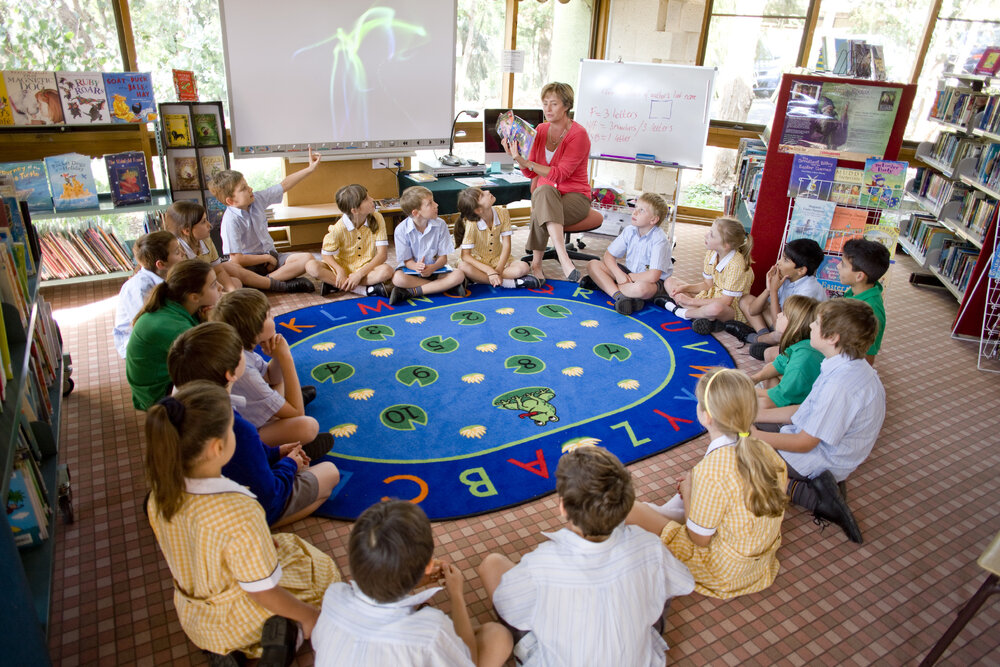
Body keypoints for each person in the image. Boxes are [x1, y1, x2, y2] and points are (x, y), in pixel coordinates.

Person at [144, 381, 340, 665]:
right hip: (245, 612)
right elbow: (262, 591)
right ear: (218, 446)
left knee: (275, 551)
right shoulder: (239, 509)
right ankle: (288, 635)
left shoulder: (159, 496)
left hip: (197, 617)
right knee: (321, 574)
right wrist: (311, 618)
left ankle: (220, 650)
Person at [477, 446, 694, 666]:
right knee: (658, 586)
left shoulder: (540, 564)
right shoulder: (650, 545)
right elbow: (682, 583)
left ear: (563, 507)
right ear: (627, 505)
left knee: (492, 564)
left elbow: (512, 610)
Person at [628, 368, 788, 599]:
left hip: (724, 571)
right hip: (757, 564)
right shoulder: (765, 450)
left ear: (706, 416)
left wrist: (689, 490)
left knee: (632, 510)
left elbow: (698, 539)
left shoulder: (712, 470)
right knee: (684, 490)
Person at [167, 323, 339, 529]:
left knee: (277, 453)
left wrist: (276, 453)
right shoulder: (236, 428)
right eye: (240, 351)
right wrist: (289, 465)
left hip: (209, 490)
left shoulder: (176, 404)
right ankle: (258, 527)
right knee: (331, 472)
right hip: (240, 506)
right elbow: (269, 494)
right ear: (230, 375)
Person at [312, 500, 513, 667]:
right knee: (498, 635)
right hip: (430, 643)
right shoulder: (432, 629)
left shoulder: (334, 595)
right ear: (428, 565)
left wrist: (411, 582)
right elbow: (468, 660)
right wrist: (457, 595)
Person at [753, 299, 886, 544]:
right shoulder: (843, 364)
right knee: (743, 427)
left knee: (740, 454)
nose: (811, 326)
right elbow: (804, 410)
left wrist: (754, 437)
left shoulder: (842, 385)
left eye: (816, 322)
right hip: (815, 438)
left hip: (824, 457)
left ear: (832, 337)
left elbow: (805, 443)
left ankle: (812, 494)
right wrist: (751, 417)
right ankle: (823, 486)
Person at [504, 82, 592, 283]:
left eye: (553, 104)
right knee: (543, 193)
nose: (548, 109)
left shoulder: (578, 135)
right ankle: (556, 260)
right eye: (545, 104)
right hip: (547, 194)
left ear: (566, 106)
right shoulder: (541, 130)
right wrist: (517, 158)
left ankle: (548, 259)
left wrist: (528, 162)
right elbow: (528, 172)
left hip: (576, 197)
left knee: (541, 202)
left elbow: (560, 174)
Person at [211, 289, 320, 449]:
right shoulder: (243, 368)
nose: (274, 316)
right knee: (308, 427)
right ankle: (280, 449)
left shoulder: (240, 349)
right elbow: (298, 413)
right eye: (268, 315)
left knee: (278, 388)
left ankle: (281, 409)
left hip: (245, 415)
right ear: (253, 328)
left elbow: (271, 378)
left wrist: (276, 357)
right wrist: (285, 358)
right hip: (237, 440)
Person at [209, 147, 322, 293]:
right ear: (231, 201)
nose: (250, 189)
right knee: (230, 269)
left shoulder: (257, 199)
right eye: (243, 188)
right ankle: (277, 282)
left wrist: (310, 169)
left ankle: (261, 284)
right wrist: (265, 258)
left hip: (273, 258)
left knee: (307, 258)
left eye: (247, 185)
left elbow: (284, 185)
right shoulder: (230, 220)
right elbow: (237, 259)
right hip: (251, 265)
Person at [126, 260, 220, 410]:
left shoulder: (177, 304)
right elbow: (214, 358)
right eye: (214, 285)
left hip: (164, 380)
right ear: (194, 297)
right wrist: (212, 321)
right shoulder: (173, 327)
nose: (220, 287)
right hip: (158, 395)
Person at [657, 216, 754, 335]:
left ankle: (681, 312)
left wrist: (690, 301)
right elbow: (707, 285)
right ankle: (705, 318)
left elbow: (725, 301)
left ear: (725, 246)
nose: (706, 235)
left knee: (715, 308)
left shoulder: (736, 264)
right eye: (709, 231)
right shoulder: (712, 252)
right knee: (669, 282)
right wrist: (684, 288)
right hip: (710, 296)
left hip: (729, 308)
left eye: (712, 235)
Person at [581, 192, 673, 315]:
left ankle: (607, 285)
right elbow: (609, 256)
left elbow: (653, 276)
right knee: (593, 264)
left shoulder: (659, 240)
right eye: (635, 208)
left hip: (651, 282)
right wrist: (619, 274)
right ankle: (620, 296)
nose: (634, 212)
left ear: (653, 220)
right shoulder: (630, 230)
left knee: (641, 289)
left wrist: (627, 278)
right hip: (628, 273)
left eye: (641, 211)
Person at [305, 184, 394, 297]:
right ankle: (363, 290)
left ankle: (335, 285)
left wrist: (359, 274)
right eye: (366, 199)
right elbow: (326, 254)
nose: (372, 199)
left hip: (366, 269)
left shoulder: (377, 218)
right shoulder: (338, 229)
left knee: (387, 271)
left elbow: (382, 255)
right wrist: (340, 270)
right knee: (311, 266)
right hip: (341, 268)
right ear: (355, 210)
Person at [737, 238, 827, 349]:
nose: (778, 262)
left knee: (780, 334)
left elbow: (780, 327)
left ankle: (762, 340)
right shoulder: (788, 278)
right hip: (780, 325)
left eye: (785, 260)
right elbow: (752, 310)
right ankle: (765, 337)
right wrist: (769, 289)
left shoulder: (808, 290)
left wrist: (774, 291)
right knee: (745, 300)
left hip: (796, 335)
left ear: (801, 270)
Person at [389, 186, 467, 305]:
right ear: (416, 213)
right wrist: (416, 266)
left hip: (436, 270)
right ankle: (446, 287)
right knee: (397, 278)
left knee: (458, 274)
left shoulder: (441, 225)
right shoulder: (401, 230)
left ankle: (411, 292)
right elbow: (407, 261)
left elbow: (443, 258)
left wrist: (432, 268)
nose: (436, 205)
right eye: (430, 203)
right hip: (412, 273)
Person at [112, 230, 184, 359]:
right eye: (177, 252)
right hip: (139, 344)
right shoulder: (139, 288)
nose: (183, 254)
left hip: (162, 324)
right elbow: (146, 327)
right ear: (161, 264)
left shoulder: (169, 275)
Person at [748, 295, 823, 410]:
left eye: (784, 314)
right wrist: (754, 379)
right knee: (768, 370)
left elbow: (781, 394)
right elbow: (778, 364)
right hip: (798, 392)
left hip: (804, 408)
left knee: (760, 403)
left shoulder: (802, 360)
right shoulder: (800, 344)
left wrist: (748, 389)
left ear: (795, 324)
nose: (778, 315)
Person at [455, 187, 538, 289]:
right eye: (482, 195)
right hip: (478, 264)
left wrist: (497, 270)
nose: (487, 191)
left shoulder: (503, 213)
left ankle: (478, 279)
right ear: (478, 210)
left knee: (523, 267)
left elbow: (507, 245)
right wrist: (489, 271)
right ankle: (509, 283)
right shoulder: (471, 224)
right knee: (463, 267)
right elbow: (465, 256)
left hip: (499, 260)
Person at [163, 200, 241, 293]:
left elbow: (219, 271)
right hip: (191, 291)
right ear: (187, 230)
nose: (210, 225)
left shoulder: (205, 239)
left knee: (235, 283)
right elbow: (191, 288)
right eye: (203, 222)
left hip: (205, 284)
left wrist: (232, 293)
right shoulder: (177, 252)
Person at [840, 238, 889, 364]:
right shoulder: (856, 292)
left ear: (859, 276)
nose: (837, 266)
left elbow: (868, 357)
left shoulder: (870, 312)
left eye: (843, 264)